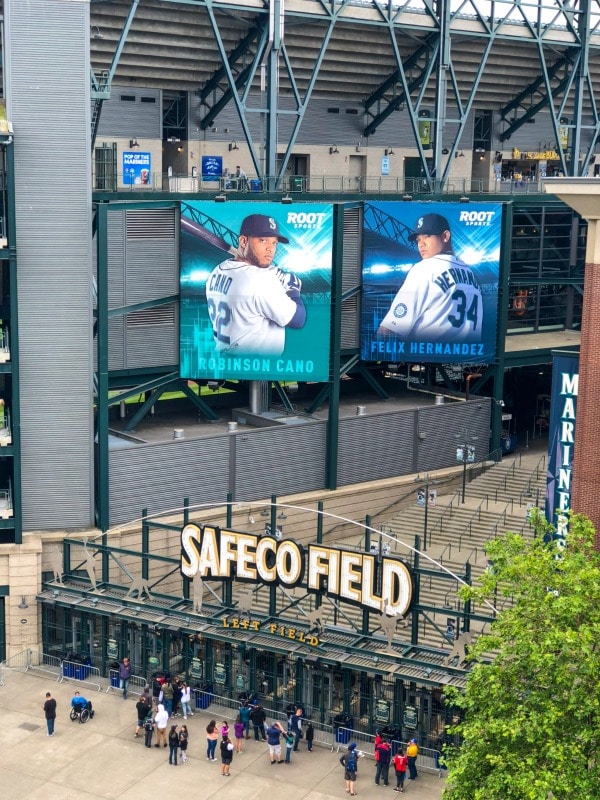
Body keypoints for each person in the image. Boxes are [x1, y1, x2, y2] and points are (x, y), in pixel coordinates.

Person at [205, 213, 306, 356]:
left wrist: (270, 274)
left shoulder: (217, 271)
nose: (270, 249)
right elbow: (298, 319)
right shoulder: (260, 280)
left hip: (224, 364)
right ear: (243, 241)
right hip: (254, 368)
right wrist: (293, 288)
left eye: (274, 243)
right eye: (263, 240)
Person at [377, 213, 483, 344]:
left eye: (427, 236)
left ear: (445, 236)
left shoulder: (424, 268)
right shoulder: (469, 272)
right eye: (418, 239)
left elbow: (390, 330)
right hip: (466, 356)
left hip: (428, 357)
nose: (421, 244)